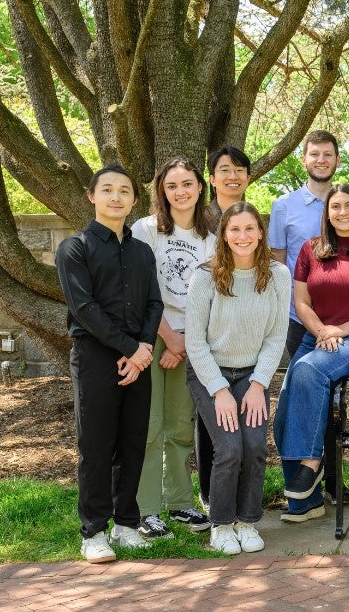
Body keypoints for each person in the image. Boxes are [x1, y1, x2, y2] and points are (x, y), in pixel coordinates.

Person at [56, 166, 163, 564]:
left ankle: (126, 525)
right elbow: (85, 309)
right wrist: (131, 349)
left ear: (134, 200)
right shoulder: (75, 248)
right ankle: (94, 532)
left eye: (124, 191)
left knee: (132, 442)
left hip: (139, 356)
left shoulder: (142, 251)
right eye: (108, 190)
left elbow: (155, 303)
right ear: (92, 196)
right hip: (95, 356)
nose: (116, 197)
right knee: (97, 445)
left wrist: (144, 347)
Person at [273, 184, 349, 523]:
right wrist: (321, 330)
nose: (342, 212)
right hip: (315, 337)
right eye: (335, 207)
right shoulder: (311, 250)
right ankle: (304, 503)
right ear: (327, 213)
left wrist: (339, 330)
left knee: (307, 372)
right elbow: (302, 302)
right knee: (283, 416)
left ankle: (311, 464)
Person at [185, 202, 291, 555]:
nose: (243, 236)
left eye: (250, 228)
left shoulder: (277, 275)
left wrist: (259, 384)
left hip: (251, 374)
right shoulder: (205, 276)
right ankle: (221, 523)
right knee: (229, 449)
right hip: (210, 372)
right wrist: (219, 390)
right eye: (235, 230)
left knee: (256, 447)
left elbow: (277, 335)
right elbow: (195, 341)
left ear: (260, 232)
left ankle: (246, 521)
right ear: (224, 235)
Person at [131, 158, 216, 540]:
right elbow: (142, 289)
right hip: (152, 334)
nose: (180, 192)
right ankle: (146, 509)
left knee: (181, 425)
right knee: (149, 424)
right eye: (171, 186)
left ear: (200, 187)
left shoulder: (214, 234)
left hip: (194, 336)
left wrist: (185, 342)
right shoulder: (146, 230)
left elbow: (214, 294)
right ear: (161, 192)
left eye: (187, 184)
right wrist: (168, 337)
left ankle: (180, 502)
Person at [198, 144, 252, 511]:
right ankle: (208, 495)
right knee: (208, 425)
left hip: (240, 337)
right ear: (212, 178)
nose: (232, 176)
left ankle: (237, 498)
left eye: (239, 170)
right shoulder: (198, 219)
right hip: (200, 332)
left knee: (239, 431)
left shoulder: (250, 217)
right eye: (224, 169)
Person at [270, 130, 340, 356]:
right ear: (304, 160)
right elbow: (278, 261)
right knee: (301, 379)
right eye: (315, 154)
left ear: (337, 160)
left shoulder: (347, 205)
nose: (321, 160)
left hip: (340, 314)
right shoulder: (283, 206)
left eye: (328, 154)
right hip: (297, 314)